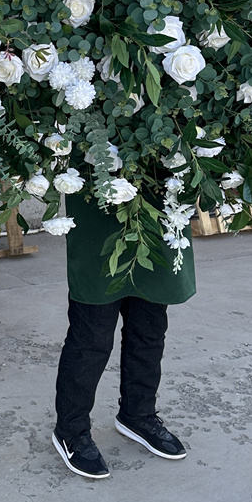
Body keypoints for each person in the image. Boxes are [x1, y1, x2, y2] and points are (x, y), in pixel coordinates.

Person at [51, 194, 195, 480]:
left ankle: (138, 415)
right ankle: (71, 430)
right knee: (92, 333)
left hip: (159, 201)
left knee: (150, 326)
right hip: (100, 196)